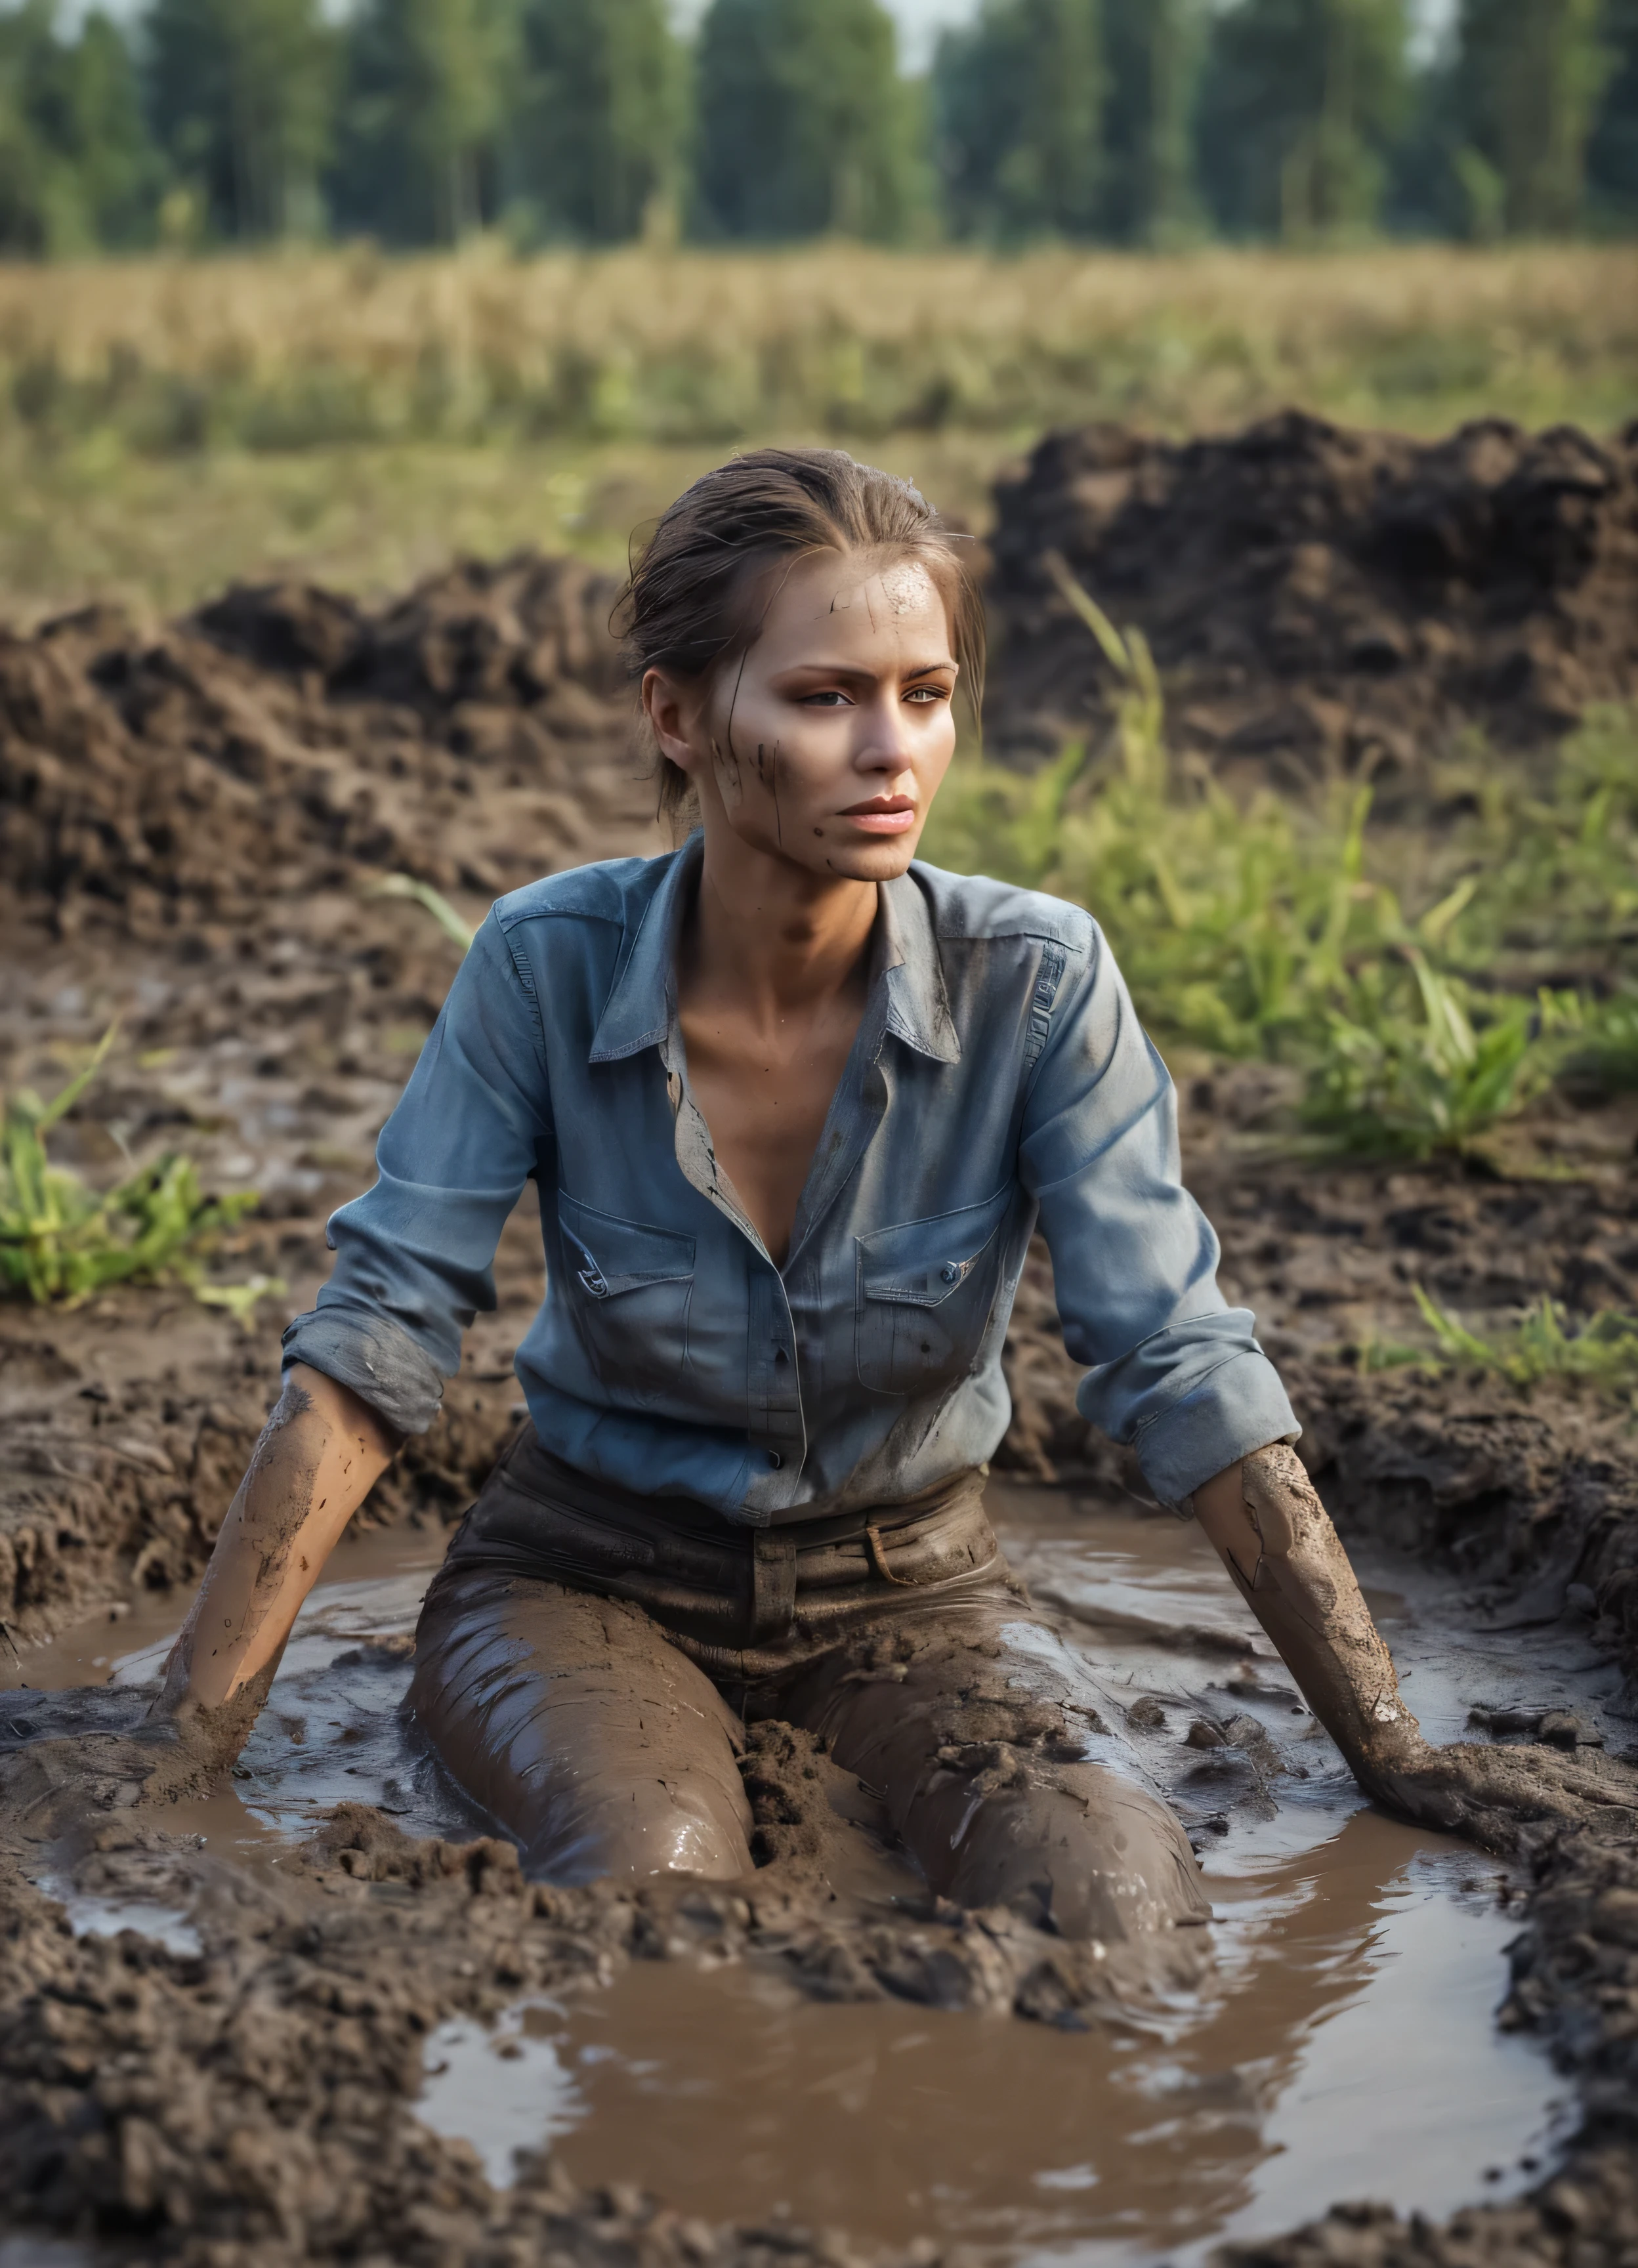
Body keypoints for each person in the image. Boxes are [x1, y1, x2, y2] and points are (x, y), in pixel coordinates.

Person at [147, 450, 1553, 1958]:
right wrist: (185, 1740)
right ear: (678, 718)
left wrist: (1389, 1746)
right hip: (588, 1584)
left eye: (927, 694)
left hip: (919, 1597)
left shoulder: (1039, 983)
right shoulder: (541, 965)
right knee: (649, 1885)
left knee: (1109, 1900)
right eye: (824, 698)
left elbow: (1180, 1361)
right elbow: (374, 1347)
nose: (893, 751)